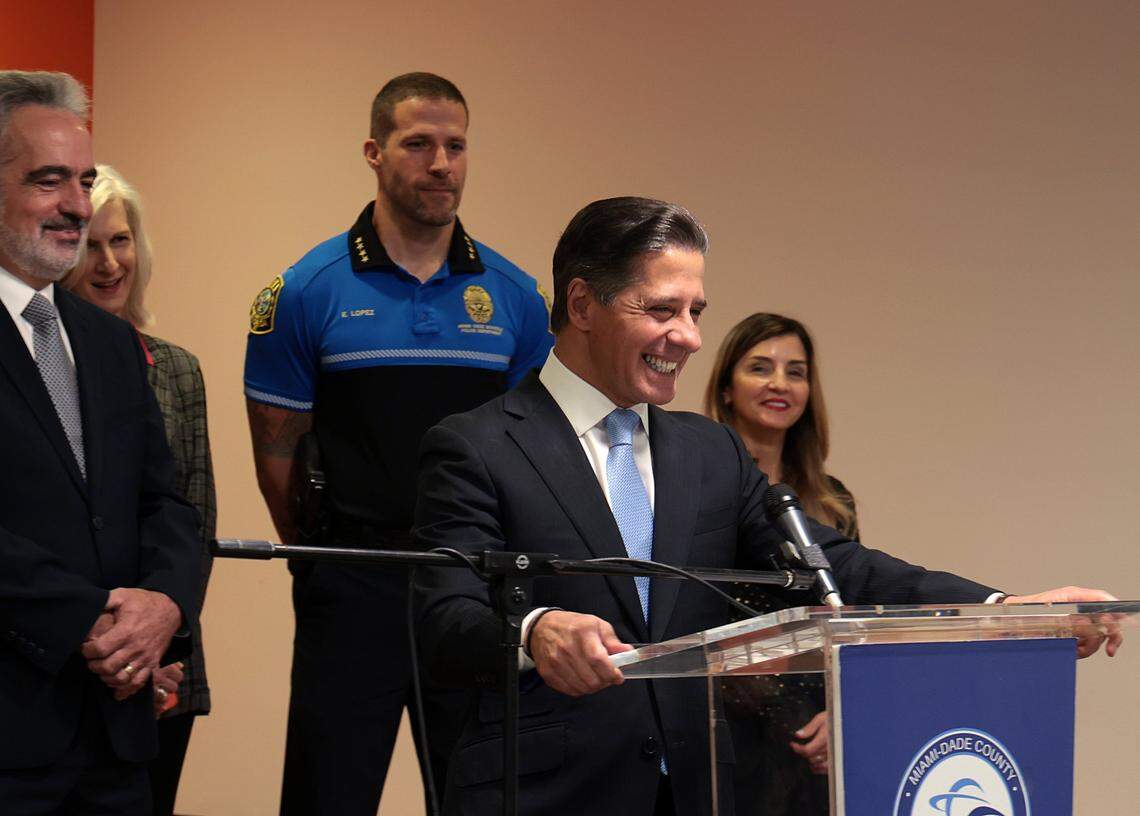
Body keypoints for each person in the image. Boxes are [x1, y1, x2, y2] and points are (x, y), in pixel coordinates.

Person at [412, 196, 1119, 816]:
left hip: (705, 789)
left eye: (695, 312)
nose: (688, 336)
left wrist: (1009, 610)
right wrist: (535, 628)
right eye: (661, 310)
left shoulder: (710, 452)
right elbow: (446, 620)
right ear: (581, 305)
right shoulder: (476, 446)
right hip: (548, 795)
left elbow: (837, 567)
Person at [243, 72, 553, 815]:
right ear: (374, 153)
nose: (441, 163)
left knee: (481, 795)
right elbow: (277, 460)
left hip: (473, 588)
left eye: (456, 145)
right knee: (328, 795)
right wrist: (326, 564)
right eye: (418, 144)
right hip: (353, 582)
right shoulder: (302, 291)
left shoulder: (516, 299)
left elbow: (533, 454)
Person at [0, 70, 200, 814]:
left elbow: (167, 504)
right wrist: (92, 620)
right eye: (47, 181)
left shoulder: (113, 344)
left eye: (82, 180)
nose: (76, 207)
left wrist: (164, 607)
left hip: (115, 741)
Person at [62, 164, 217, 816]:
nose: (108, 262)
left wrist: (162, 644)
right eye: (89, 245)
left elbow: (192, 517)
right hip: (65, 657)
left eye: (120, 241)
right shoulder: (33, 364)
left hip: (166, 665)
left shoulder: (176, 368)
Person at [703, 312, 853, 814]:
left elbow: (846, 621)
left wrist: (842, 714)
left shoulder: (835, 503)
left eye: (796, 371)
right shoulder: (697, 495)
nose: (779, 384)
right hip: (721, 730)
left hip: (813, 738)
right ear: (726, 389)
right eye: (760, 367)